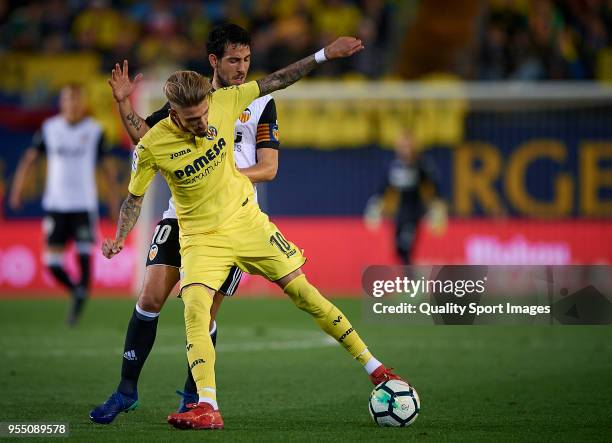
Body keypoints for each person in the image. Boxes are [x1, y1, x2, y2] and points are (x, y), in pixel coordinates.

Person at [104, 36, 406, 431]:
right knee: (191, 307)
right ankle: (205, 406)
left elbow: (280, 79)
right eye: (193, 119)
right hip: (200, 235)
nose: (204, 124)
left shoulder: (228, 101)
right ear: (172, 114)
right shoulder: (152, 144)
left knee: (305, 293)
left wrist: (324, 54)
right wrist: (120, 237)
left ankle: (376, 367)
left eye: (204, 115)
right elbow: (133, 199)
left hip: (247, 222)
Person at [90, 24, 280, 424]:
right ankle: (126, 391)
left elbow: (269, 167)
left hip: (231, 220)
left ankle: (194, 398)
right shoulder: (191, 97)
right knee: (150, 297)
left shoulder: (259, 103)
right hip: (182, 214)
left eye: (246, 59)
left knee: (204, 313)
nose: (242, 68)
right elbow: (146, 137)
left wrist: (224, 173)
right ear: (215, 61)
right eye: (233, 60)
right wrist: (124, 104)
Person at [9, 84, 118, 326]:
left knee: (84, 257)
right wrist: (17, 191)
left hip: (83, 206)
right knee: (52, 263)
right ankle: (77, 291)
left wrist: (113, 204)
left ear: (83, 103)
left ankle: (77, 307)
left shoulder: (94, 130)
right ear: (62, 102)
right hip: (56, 206)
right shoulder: (50, 129)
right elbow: (29, 160)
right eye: (68, 99)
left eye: (77, 100)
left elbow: (108, 170)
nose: (73, 104)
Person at [364, 131, 446, 264]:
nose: (405, 150)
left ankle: (411, 283)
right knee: (398, 250)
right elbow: (383, 189)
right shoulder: (394, 166)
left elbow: (435, 188)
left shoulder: (421, 166)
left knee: (406, 248)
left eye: (408, 146)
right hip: (400, 214)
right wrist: (374, 208)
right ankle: (411, 280)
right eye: (403, 146)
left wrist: (437, 211)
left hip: (414, 214)